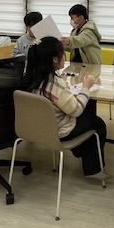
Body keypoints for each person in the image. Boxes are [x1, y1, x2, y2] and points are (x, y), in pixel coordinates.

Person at [21, 36, 107, 180]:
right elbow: (76, 110)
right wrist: (86, 87)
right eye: (63, 53)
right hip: (59, 131)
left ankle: (83, 150)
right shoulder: (54, 84)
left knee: (87, 113)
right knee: (98, 123)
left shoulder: (30, 77)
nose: (64, 56)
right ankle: (94, 169)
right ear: (55, 59)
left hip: (36, 128)